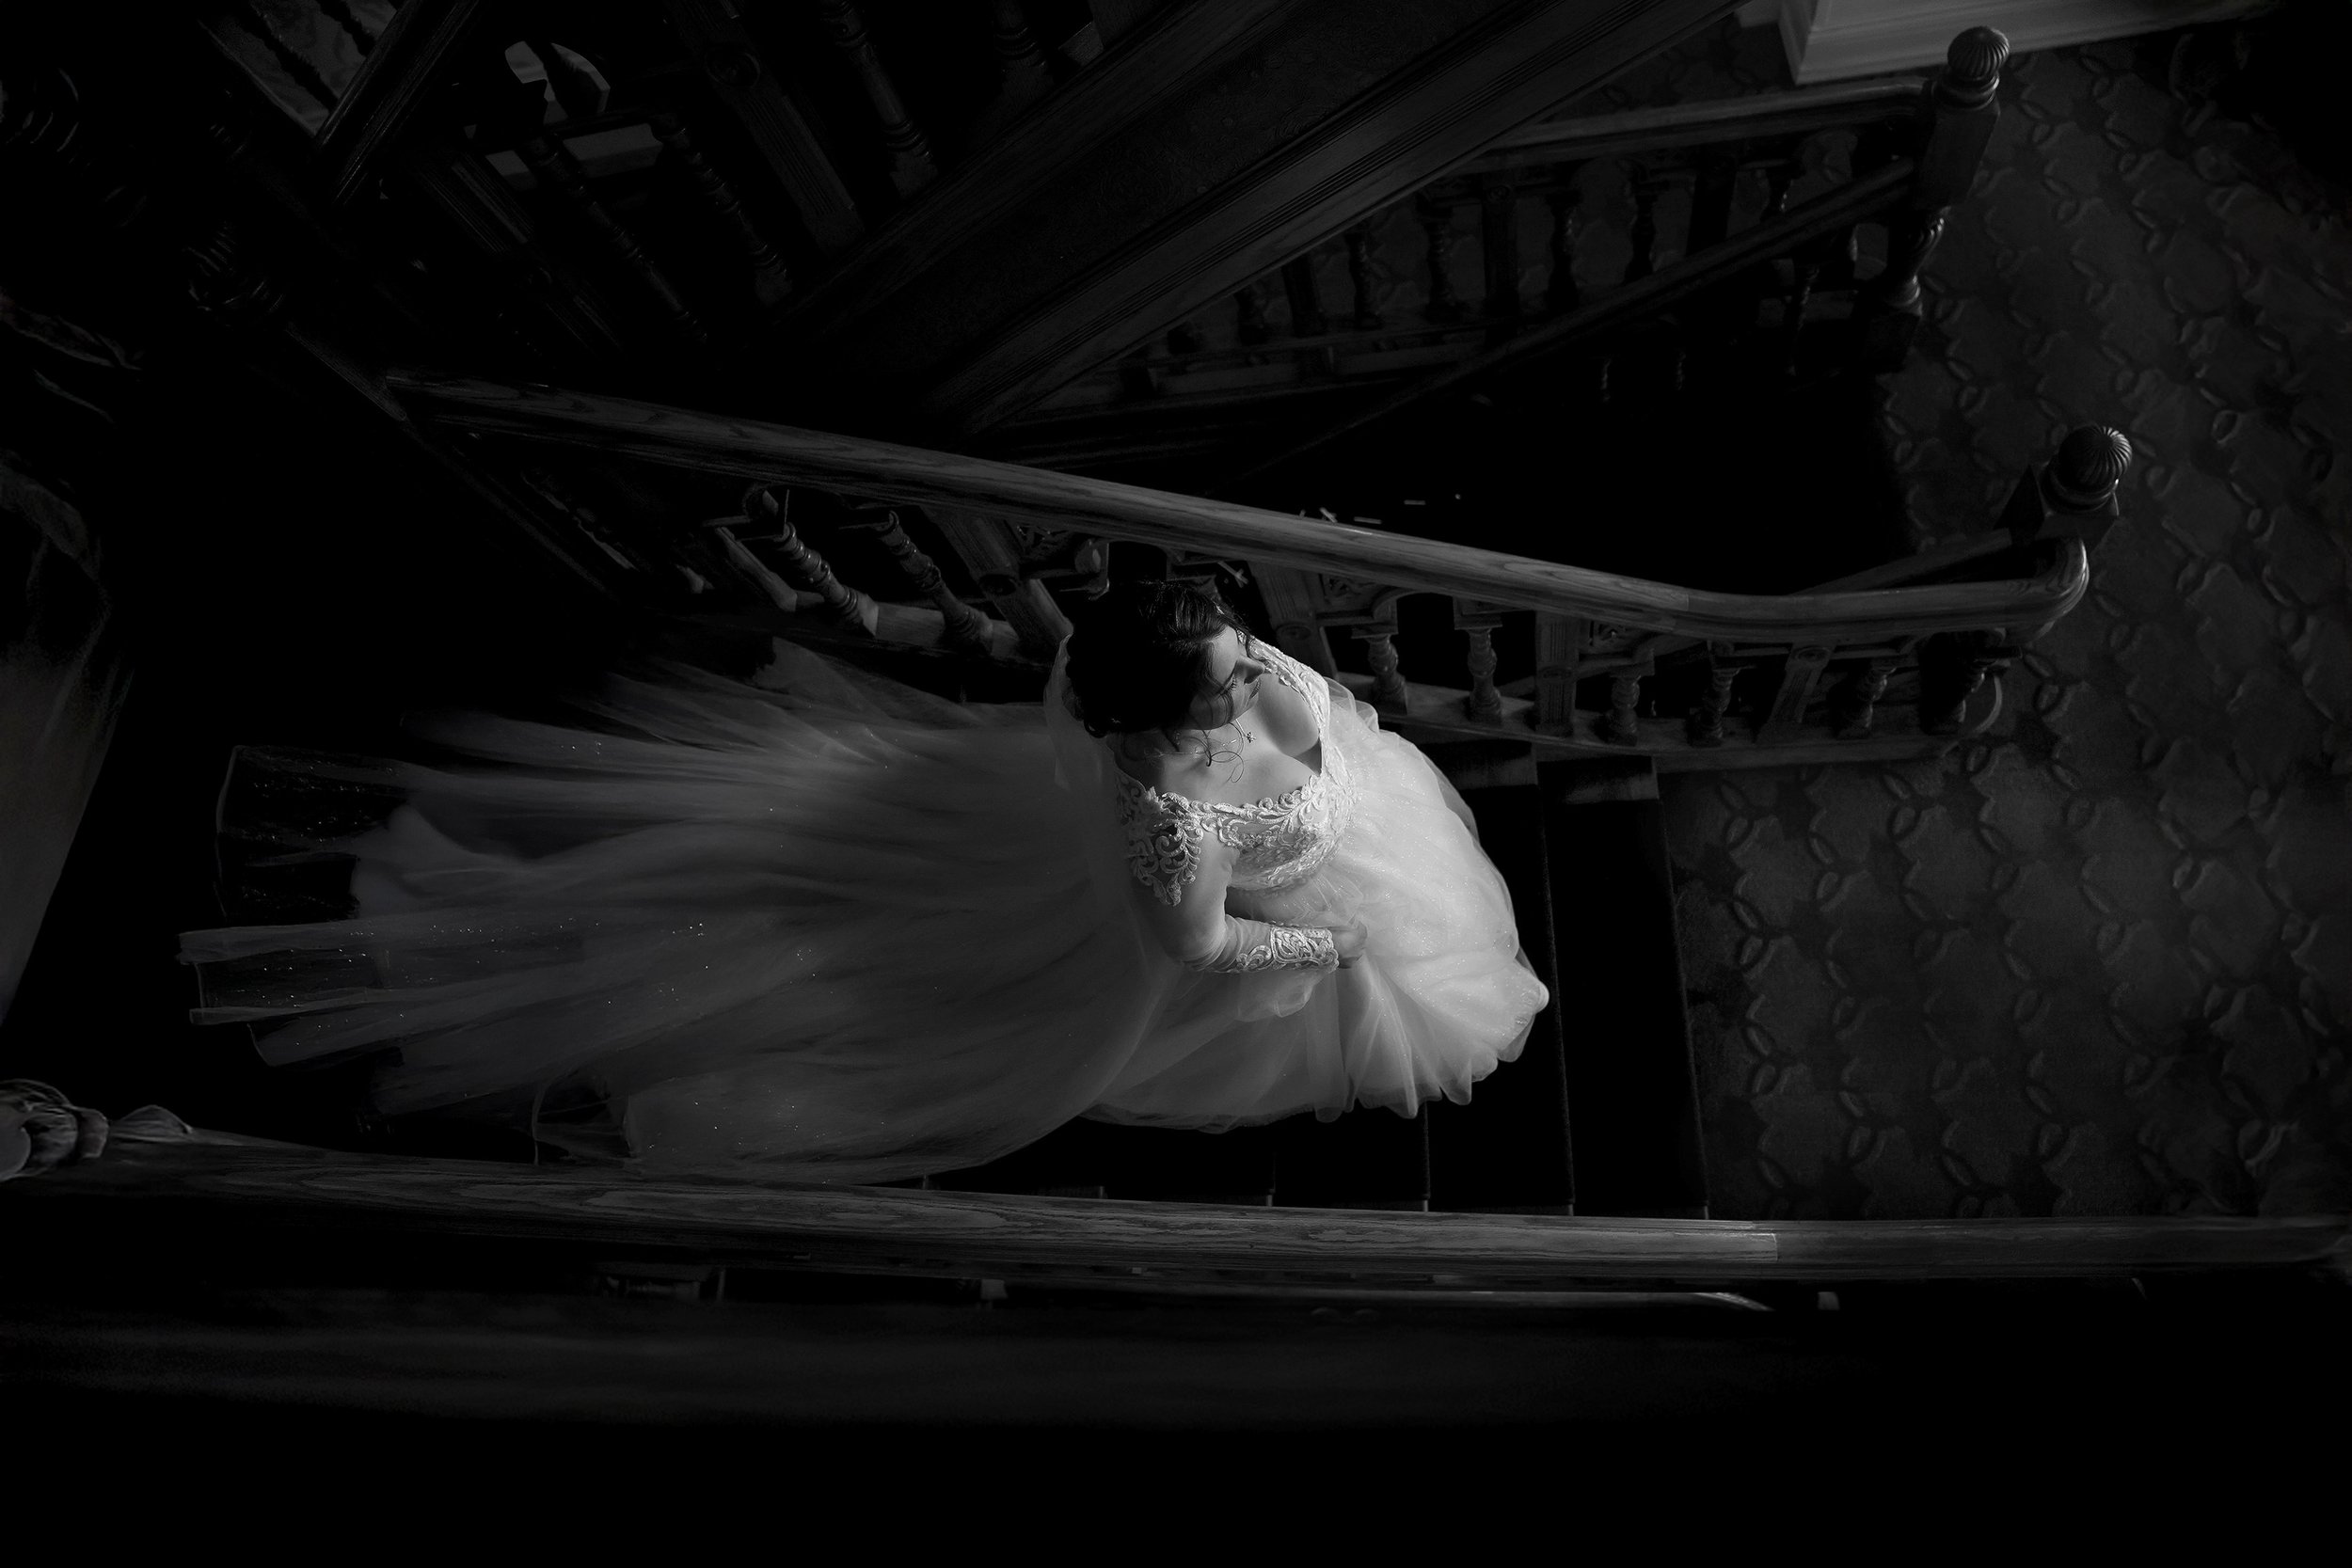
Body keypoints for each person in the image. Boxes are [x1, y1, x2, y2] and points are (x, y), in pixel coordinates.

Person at [182, 578, 1548, 1182]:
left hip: (1347, 847)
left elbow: (1294, 704)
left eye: (1249, 656)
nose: (1260, 677)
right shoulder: (1170, 824)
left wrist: (1327, 747)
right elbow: (1193, 954)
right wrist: (1323, 952)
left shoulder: (1180, 671)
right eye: (1232, 681)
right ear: (1170, 718)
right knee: (820, 956)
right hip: (1253, 924)